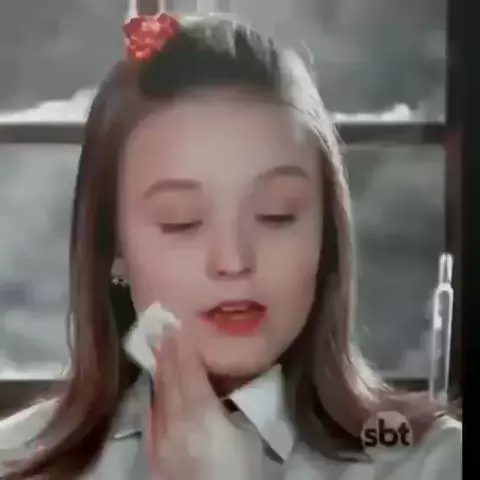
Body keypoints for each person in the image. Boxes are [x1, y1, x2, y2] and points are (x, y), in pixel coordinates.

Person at [0, 13, 461, 480]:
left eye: (277, 214)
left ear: (327, 232)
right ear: (114, 246)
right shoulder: (14, 460)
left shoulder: (430, 460)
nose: (234, 260)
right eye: (182, 221)